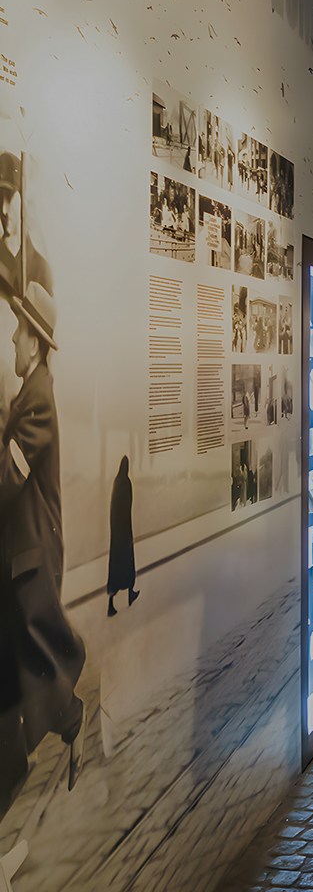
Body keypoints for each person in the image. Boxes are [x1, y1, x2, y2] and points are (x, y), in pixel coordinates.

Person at [0, 274, 85, 792]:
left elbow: (9, 476)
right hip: (23, 552)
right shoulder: (29, 394)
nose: (12, 338)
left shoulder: (38, 401)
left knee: (38, 651)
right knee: (20, 657)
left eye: (18, 332)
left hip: (33, 554)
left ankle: (70, 718)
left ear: (34, 342)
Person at [107, 455, 138, 615]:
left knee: (115, 567)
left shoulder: (116, 482)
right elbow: (128, 507)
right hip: (125, 532)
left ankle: (111, 603)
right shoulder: (126, 482)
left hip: (116, 533)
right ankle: (130, 593)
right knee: (128, 564)